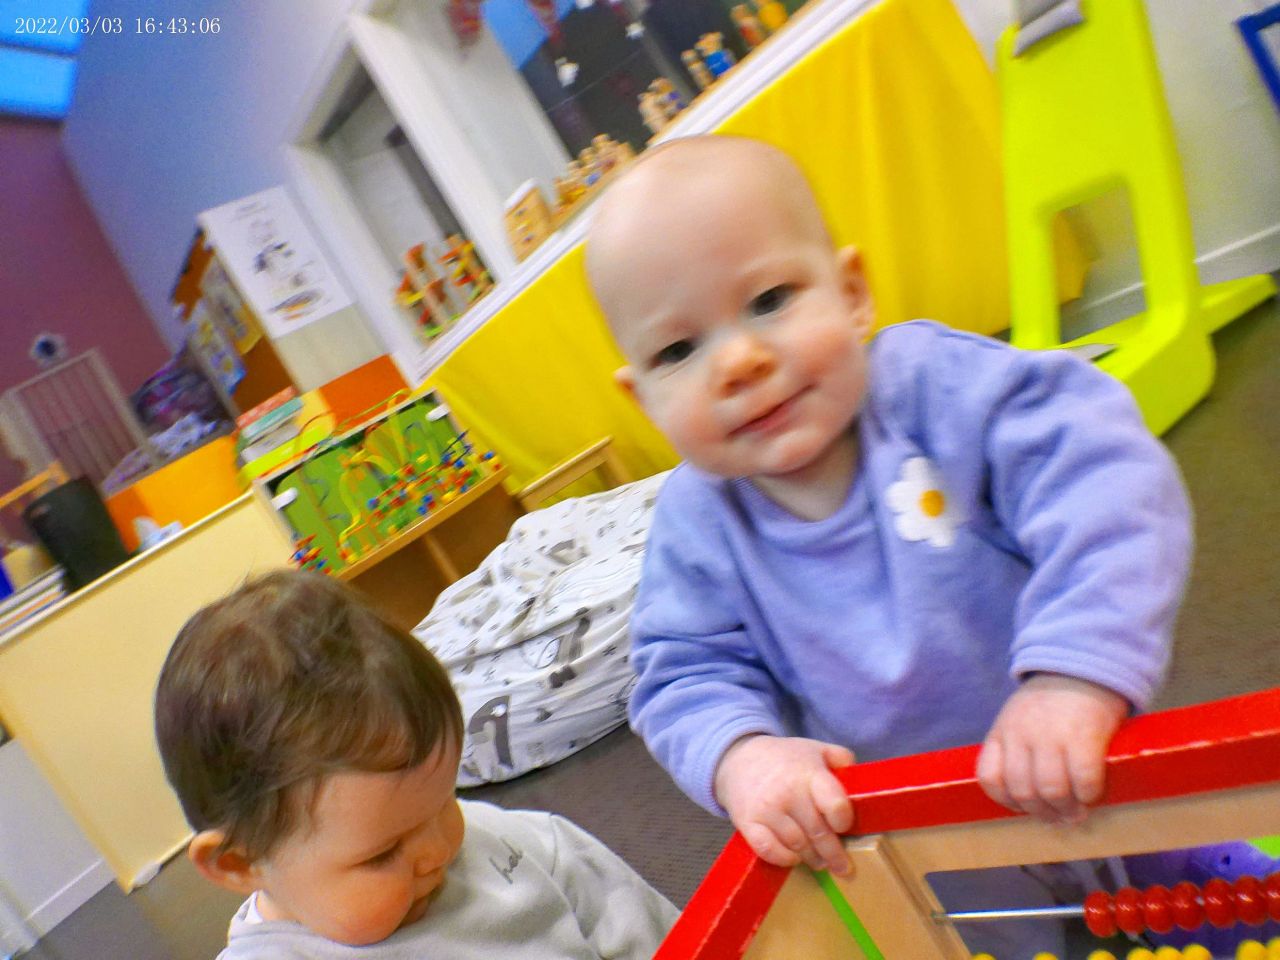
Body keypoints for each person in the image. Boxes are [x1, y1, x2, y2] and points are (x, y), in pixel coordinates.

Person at [585, 135, 1192, 957]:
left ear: (853, 293)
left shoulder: (937, 388)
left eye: (769, 300)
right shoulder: (696, 524)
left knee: (1194, 901)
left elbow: (1105, 479)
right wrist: (747, 758)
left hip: (1096, 761)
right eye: (678, 351)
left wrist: (1073, 673)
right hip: (933, 849)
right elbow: (683, 674)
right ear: (644, 398)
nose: (738, 361)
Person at [154, 569, 677, 959]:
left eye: (445, 800)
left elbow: (630, 917)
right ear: (241, 864)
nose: (438, 851)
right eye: (384, 854)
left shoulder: (507, 843)